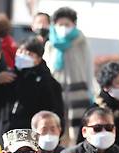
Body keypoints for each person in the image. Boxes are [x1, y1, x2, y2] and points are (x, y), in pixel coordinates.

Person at [43, 7, 94, 144]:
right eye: (60, 24)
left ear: (74, 25)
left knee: (77, 129)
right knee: (57, 125)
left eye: (67, 24)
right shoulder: (50, 44)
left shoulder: (81, 43)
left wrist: (91, 89)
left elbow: (89, 67)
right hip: (56, 90)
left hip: (77, 90)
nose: (63, 28)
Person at [4, 37, 64, 131]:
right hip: (9, 130)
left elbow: (56, 111)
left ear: (38, 59)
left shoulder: (47, 81)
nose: (22, 55)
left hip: (32, 132)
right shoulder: (9, 76)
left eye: (29, 54)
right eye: (20, 51)